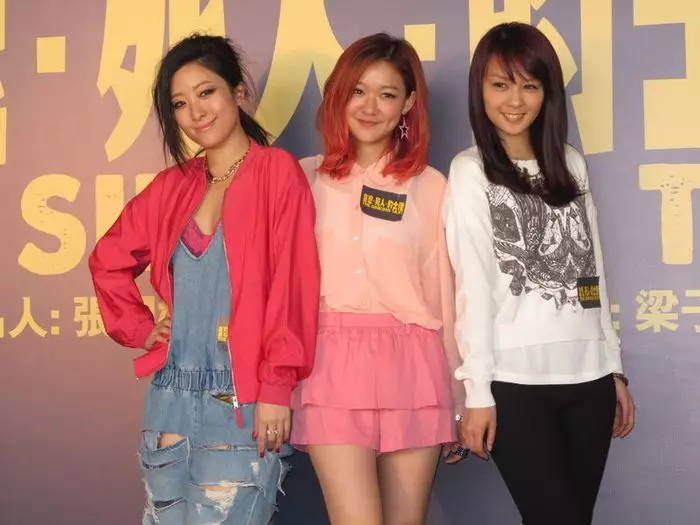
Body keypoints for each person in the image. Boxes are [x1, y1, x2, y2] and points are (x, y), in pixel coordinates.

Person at [88, 34, 320, 525]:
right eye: (179, 103)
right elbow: (107, 259)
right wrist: (139, 328)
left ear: (239, 91)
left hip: (242, 397)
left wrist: (276, 388)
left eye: (206, 92)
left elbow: (292, 286)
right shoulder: (171, 187)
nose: (195, 111)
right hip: (169, 398)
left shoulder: (276, 172)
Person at [444, 22, 636, 525]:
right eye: (500, 84)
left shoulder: (570, 164)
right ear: (479, 90)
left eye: (529, 85)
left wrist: (612, 368)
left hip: (589, 381)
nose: (515, 101)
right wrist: (477, 391)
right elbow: (473, 287)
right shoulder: (470, 170)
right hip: (516, 383)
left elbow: (592, 273)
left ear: (547, 92)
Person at [290, 33, 465, 525]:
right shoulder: (303, 179)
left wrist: (459, 397)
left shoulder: (431, 186)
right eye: (358, 91)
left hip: (414, 365)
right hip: (329, 365)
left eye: (387, 94)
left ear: (407, 104)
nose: (369, 107)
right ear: (338, 96)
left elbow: (444, 296)